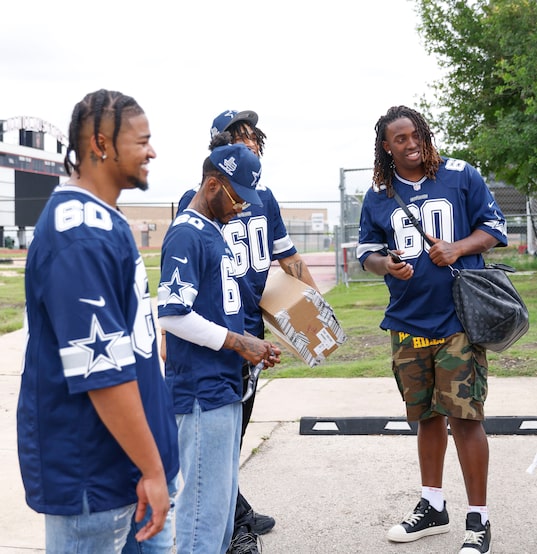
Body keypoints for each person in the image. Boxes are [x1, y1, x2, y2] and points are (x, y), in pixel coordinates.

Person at [17, 89, 179, 551]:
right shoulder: (79, 233)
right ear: (101, 145)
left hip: (132, 472)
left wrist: (156, 466)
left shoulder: (102, 219)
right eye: (141, 141)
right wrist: (152, 469)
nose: (152, 151)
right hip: (99, 477)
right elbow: (101, 372)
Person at [357, 105, 508, 554]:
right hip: (406, 320)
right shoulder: (379, 194)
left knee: (465, 418)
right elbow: (367, 252)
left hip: (458, 319)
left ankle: (478, 520)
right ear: (386, 145)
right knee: (424, 417)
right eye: (400, 138)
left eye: (416, 134)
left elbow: (495, 228)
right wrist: (388, 264)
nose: (411, 143)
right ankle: (433, 504)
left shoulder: (461, 176)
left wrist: (458, 248)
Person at [172, 109, 320, 551]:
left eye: (254, 136)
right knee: (217, 436)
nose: (251, 142)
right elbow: (181, 292)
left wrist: (316, 311)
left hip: (251, 327)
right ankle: (233, 523)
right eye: (241, 135)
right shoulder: (196, 204)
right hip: (220, 334)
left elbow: (287, 257)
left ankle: (234, 509)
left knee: (236, 425)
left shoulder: (262, 197)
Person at [157, 135, 281, 553]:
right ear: (213, 185)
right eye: (237, 197)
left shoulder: (213, 230)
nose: (242, 206)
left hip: (225, 384)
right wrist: (238, 342)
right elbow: (172, 314)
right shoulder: (186, 234)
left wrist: (251, 346)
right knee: (201, 519)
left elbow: (216, 310)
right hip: (200, 391)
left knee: (221, 511)